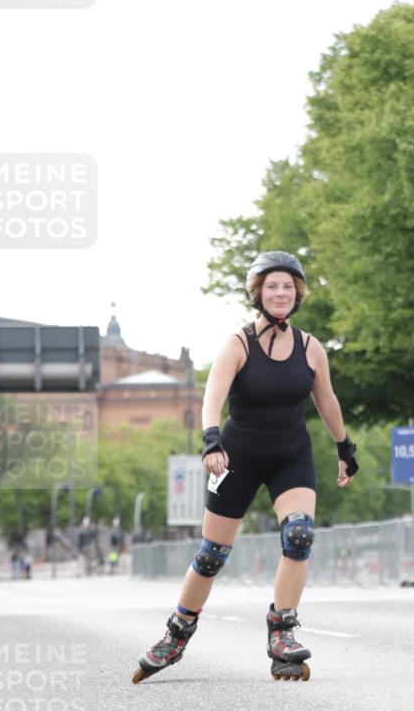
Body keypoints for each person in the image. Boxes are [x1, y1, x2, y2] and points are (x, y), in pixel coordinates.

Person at [133, 250, 359, 684]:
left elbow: (326, 401)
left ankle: (283, 632)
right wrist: (211, 440)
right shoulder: (238, 344)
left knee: (299, 535)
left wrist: (344, 447)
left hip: (291, 455)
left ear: (298, 295)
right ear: (258, 294)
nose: (280, 293)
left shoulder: (312, 348)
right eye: (272, 286)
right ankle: (176, 633)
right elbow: (212, 396)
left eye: (288, 287)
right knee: (211, 555)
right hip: (236, 456)